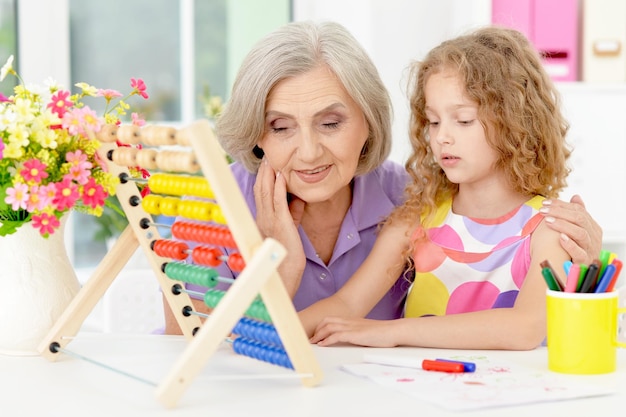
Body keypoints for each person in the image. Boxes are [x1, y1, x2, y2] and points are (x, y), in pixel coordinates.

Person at [163, 21, 602, 335]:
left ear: (368, 123)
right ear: (257, 132)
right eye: (281, 127)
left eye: (330, 123)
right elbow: (194, 347)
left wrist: (582, 258)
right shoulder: (209, 205)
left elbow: (528, 314)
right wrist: (283, 266)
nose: (310, 151)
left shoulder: (411, 197)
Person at [305, 26, 584, 350]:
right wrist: (254, 333)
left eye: (463, 120)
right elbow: (347, 305)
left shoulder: (548, 229)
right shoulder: (417, 218)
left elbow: (525, 329)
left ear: (516, 122)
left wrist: (392, 331)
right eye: (434, 121)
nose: (441, 137)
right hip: (423, 390)